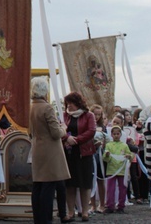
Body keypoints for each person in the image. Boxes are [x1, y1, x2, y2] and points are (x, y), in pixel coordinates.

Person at [29, 77, 70, 224]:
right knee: (49, 185)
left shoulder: (31, 107)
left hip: (37, 148)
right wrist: (64, 129)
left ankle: (38, 218)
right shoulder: (47, 108)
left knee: (38, 185)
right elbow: (55, 133)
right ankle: (46, 219)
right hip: (50, 151)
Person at [62, 92, 96, 222]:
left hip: (84, 153)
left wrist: (76, 140)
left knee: (85, 183)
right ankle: (71, 211)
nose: (69, 106)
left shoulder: (89, 115)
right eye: (67, 103)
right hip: (68, 153)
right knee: (70, 184)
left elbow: (91, 131)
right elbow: (59, 128)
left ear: (78, 103)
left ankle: (85, 211)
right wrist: (67, 138)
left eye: (71, 103)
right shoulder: (64, 115)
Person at [103, 126, 132, 214]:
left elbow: (130, 156)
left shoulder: (124, 145)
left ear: (120, 134)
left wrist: (128, 156)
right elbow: (105, 159)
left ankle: (121, 206)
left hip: (122, 170)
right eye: (114, 134)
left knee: (122, 189)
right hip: (111, 170)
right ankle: (110, 206)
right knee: (110, 189)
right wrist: (107, 155)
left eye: (117, 134)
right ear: (111, 135)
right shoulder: (108, 145)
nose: (116, 135)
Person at [89, 104, 108, 214]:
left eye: (99, 114)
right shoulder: (88, 124)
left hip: (101, 153)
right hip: (91, 153)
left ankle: (102, 204)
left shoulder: (103, 126)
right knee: (91, 180)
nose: (96, 116)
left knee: (101, 179)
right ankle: (93, 205)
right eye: (95, 114)